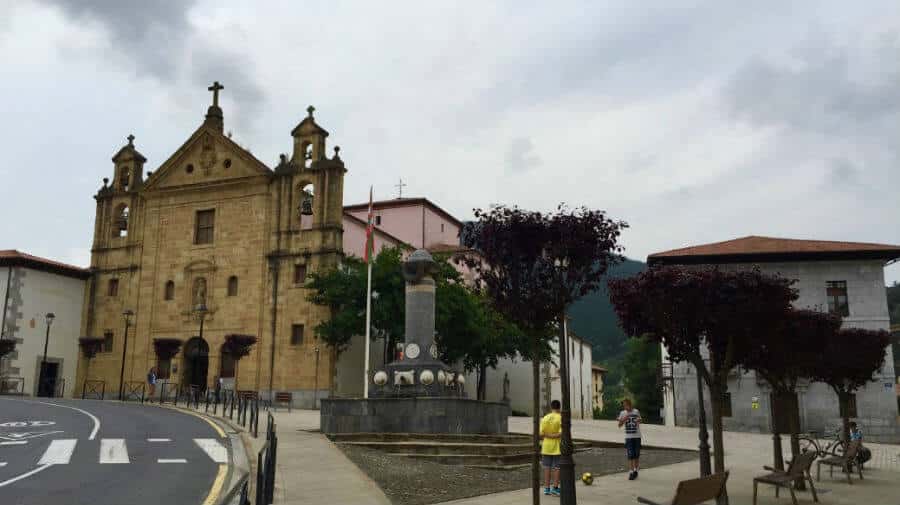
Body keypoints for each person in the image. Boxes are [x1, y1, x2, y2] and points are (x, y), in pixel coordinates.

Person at [540, 399, 563, 496]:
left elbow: (541, 434)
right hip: (557, 446)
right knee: (557, 468)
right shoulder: (560, 418)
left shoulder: (545, 418)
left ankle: (546, 489)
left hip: (546, 446)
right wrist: (553, 436)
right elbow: (561, 433)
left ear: (551, 407)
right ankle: (555, 488)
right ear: (559, 407)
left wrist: (547, 436)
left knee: (546, 467)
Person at [617, 398, 642, 480]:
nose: (625, 407)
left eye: (626, 405)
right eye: (624, 405)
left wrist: (639, 420)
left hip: (637, 436)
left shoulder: (636, 411)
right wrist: (624, 419)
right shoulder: (622, 413)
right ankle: (631, 471)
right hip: (628, 437)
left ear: (630, 404)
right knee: (630, 454)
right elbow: (619, 425)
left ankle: (636, 470)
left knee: (636, 454)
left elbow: (640, 420)